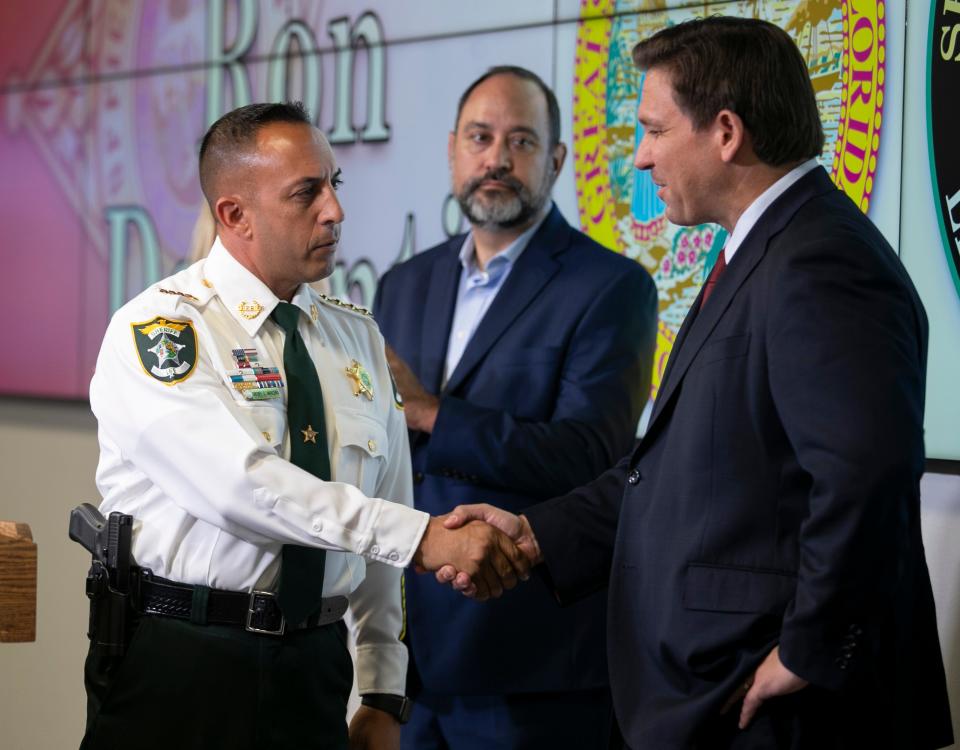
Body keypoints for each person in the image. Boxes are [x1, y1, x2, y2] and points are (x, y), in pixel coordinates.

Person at [441, 18, 954, 749]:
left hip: (787, 710)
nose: (642, 158)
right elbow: (676, 469)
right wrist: (533, 536)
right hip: (724, 696)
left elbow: (867, 475)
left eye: (653, 130)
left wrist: (810, 650)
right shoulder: (762, 250)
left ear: (725, 132)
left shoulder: (822, 262)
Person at [83, 101, 529, 750]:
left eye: (334, 184)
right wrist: (422, 537)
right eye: (306, 193)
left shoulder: (357, 337)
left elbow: (385, 510)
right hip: (183, 664)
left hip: (314, 668)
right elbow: (243, 487)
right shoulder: (162, 335)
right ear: (234, 215)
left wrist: (382, 688)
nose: (335, 211)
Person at [374, 66, 657, 749]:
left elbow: (591, 456)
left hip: (534, 669)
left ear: (556, 161)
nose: (496, 158)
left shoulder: (612, 287)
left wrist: (432, 414)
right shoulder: (402, 284)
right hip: (409, 662)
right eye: (480, 137)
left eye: (522, 141)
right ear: (452, 151)